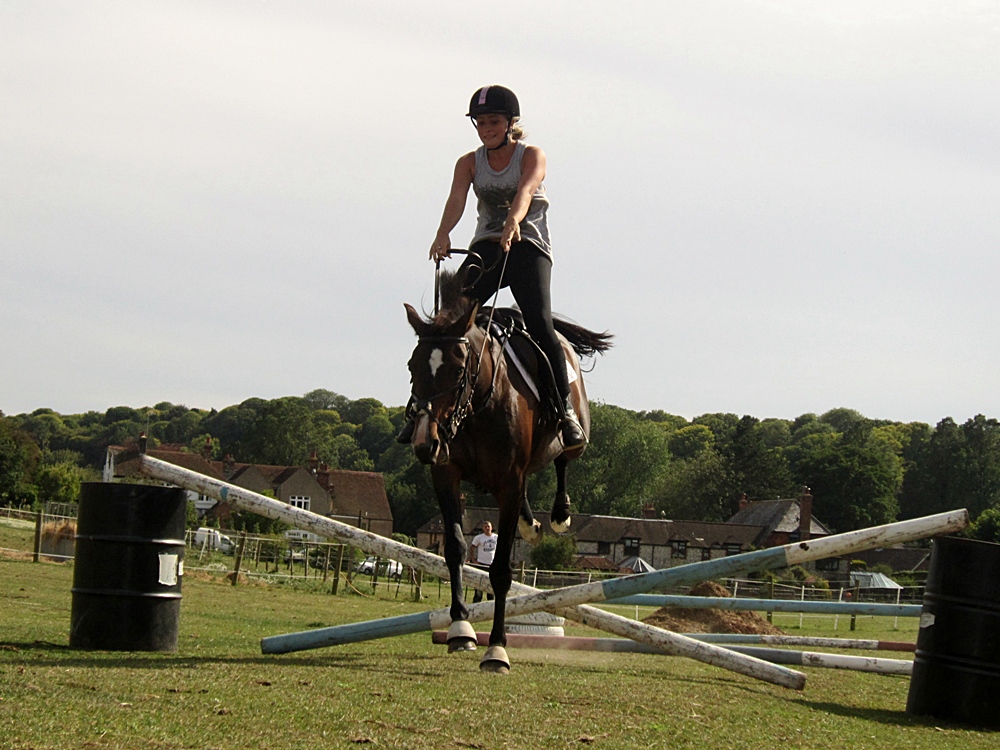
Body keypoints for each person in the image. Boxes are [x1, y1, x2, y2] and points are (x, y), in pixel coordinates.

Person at [397, 84, 586, 449]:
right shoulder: (469, 162)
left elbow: (526, 191)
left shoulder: (532, 155)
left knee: (539, 323)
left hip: (527, 246)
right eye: (481, 123)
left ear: (510, 123)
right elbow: (456, 199)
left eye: (494, 122)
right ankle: (419, 410)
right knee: (446, 322)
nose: (487, 129)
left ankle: (565, 412)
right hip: (488, 245)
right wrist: (442, 233)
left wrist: (514, 221)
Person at [469, 521, 497, 603]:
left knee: (491, 588)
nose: (487, 528)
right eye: (485, 527)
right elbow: (472, 548)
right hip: (481, 564)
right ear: (483, 528)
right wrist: (473, 560)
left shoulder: (496, 537)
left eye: (488, 526)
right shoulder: (479, 538)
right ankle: (476, 605)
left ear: (491, 528)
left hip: (492, 565)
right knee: (479, 587)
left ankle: (490, 605)